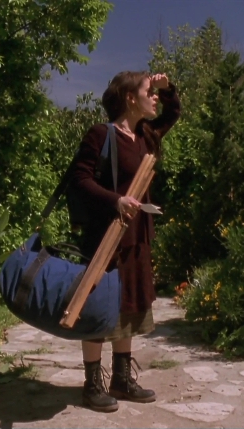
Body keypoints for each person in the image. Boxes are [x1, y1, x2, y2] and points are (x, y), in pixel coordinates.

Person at [71, 71, 180, 413]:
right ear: (130, 98)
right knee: (97, 307)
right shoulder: (101, 135)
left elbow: (173, 113)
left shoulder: (146, 134)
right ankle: (92, 385)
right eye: (149, 92)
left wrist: (167, 87)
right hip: (106, 237)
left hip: (137, 236)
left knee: (129, 306)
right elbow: (79, 179)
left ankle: (121, 379)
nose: (155, 98)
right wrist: (115, 200)